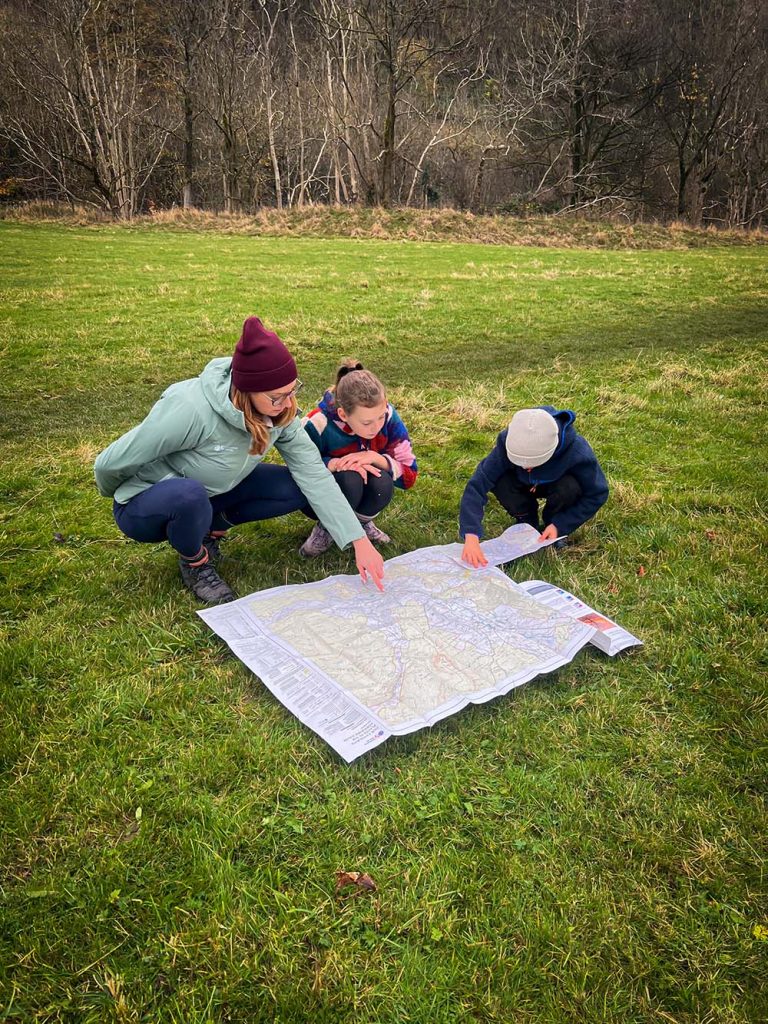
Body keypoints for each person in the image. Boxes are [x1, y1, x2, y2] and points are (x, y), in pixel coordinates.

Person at [93, 318, 385, 602]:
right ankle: (195, 563)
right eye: (277, 397)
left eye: (292, 391)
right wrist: (125, 496)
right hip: (146, 504)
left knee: (294, 486)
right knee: (188, 495)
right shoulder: (189, 408)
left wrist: (358, 540)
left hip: (209, 495)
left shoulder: (280, 413)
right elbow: (108, 464)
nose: (287, 403)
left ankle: (210, 529)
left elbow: (313, 473)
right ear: (248, 390)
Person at [460, 406, 609, 568]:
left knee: (570, 487)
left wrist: (561, 524)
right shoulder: (507, 442)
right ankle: (526, 520)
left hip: (558, 484)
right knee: (500, 481)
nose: (526, 468)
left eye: (534, 463)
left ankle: (552, 525)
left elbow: (597, 493)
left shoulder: (577, 451)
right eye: (519, 462)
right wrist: (471, 535)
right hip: (520, 483)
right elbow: (477, 486)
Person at [299, 360, 418, 556]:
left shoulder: (388, 416)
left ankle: (361, 523)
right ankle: (327, 527)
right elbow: (298, 468)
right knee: (350, 478)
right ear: (343, 414)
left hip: (364, 487)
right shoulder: (316, 423)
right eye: (366, 422)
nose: (376, 427)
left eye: (380, 417)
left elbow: (410, 475)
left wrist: (373, 457)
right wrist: (335, 464)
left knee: (382, 480)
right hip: (318, 497)